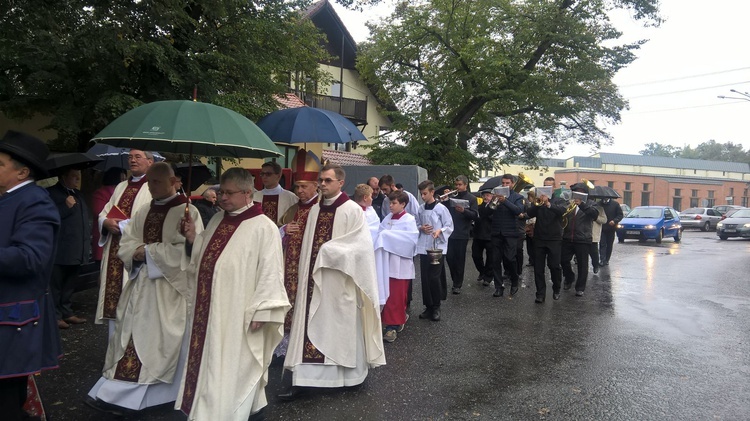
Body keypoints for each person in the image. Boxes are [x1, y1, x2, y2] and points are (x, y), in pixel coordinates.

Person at [87, 163, 203, 414]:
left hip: (169, 290)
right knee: (130, 336)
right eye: (149, 182)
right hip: (141, 284)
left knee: (159, 341)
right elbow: (127, 242)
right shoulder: (143, 210)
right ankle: (117, 391)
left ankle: (159, 394)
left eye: (157, 182)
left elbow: (190, 253)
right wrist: (136, 252)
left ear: (173, 181)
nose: (151, 187)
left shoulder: (188, 212)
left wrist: (149, 251)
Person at [177, 167, 290, 421]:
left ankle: (232, 410)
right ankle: (206, 406)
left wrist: (263, 309)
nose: (222, 197)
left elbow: (272, 272)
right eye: (221, 191)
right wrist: (192, 237)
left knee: (236, 363)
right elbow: (204, 256)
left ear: (248, 193)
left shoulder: (263, 227)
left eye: (228, 193)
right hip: (209, 308)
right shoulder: (218, 219)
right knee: (210, 358)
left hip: (239, 310)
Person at [281, 163, 385, 401]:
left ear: (340, 183)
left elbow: (361, 248)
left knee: (340, 325)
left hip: (339, 282)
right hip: (313, 281)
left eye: (328, 180)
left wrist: (330, 250)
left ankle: (349, 377)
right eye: (321, 180)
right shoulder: (315, 210)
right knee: (309, 323)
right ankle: (303, 379)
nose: (322, 184)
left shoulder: (351, 210)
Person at [0, 130, 62, 421]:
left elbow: (31, 258)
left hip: (12, 320)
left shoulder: (35, 201)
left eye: (0, 163)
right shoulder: (8, 198)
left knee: (7, 405)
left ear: (22, 171)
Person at [95, 149, 154, 330]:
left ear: (150, 162)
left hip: (135, 254)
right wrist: (105, 222)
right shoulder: (120, 187)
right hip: (114, 250)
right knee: (114, 308)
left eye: (137, 157)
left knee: (134, 308)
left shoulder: (152, 188)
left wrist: (120, 226)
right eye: (130, 157)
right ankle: (113, 354)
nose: (132, 160)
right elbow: (104, 212)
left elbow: (149, 219)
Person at [276, 149, 320, 361]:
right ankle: (287, 346)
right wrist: (284, 230)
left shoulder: (322, 209)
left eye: (304, 186)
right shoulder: (291, 209)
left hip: (311, 269)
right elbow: (273, 237)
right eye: (297, 186)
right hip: (289, 269)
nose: (299, 191)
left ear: (316, 186)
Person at [47, 167, 91, 329]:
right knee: (56, 285)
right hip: (60, 248)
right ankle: (55, 315)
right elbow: (48, 218)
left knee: (69, 284)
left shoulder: (78, 194)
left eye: (78, 177)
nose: (77, 180)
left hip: (77, 248)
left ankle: (67, 312)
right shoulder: (51, 193)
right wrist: (65, 207)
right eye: (73, 177)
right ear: (63, 177)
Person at [375, 191, 418, 342]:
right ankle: (393, 321)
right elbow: (379, 234)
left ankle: (392, 327)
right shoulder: (387, 218)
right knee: (386, 294)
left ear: (403, 204)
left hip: (400, 264)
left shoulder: (409, 220)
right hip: (386, 262)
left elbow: (411, 241)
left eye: (394, 203)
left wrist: (388, 237)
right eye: (389, 203)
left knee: (396, 296)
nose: (390, 206)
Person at [415, 180, 454, 321]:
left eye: (425, 193)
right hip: (423, 246)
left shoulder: (441, 208)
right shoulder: (420, 208)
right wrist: (421, 228)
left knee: (434, 277)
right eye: (421, 194)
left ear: (432, 192)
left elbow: (449, 225)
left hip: (437, 247)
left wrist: (440, 230)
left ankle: (436, 306)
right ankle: (428, 306)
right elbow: (416, 223)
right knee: (425, 277)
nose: (423, 196)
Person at [525, 188, 567, 303]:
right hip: (539, 238)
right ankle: (540, 294)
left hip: (554, 238)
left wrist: (548, 204)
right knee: (538, 268)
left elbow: (562, 211)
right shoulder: (538, 202)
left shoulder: (559, 200)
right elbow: (529, 213)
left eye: (549, 187)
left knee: (554, 266)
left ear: (553, 189)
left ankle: (557, 288)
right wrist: (538, 204)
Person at [560, 183, 599, 297]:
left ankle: (580, 287)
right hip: (567, 237)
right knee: (563, 260)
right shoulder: (569, 203)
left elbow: (594, 215)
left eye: (580, 192)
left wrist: (582, 204)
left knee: (582, 265)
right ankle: (569, 277)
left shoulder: (591, 204)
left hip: (583, 238)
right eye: (576, 192)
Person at [489, 174, 524, 297]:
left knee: (510, 258)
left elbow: (518, 211)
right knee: (495, 260)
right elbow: (488, 212)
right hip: (496, 232)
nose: (504, 185)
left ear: (512, 184)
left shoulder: (518, 197)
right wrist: (492, 201)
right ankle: (499, 286)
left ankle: (514, 280)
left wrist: (505, 201)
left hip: (511, 233)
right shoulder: (496, 196)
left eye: (507, 183)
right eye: (503, 183)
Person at [444, 175, 478, 294]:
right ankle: (455, 279)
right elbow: (443, 210)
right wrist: (446, 199)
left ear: (465, 185)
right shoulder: (452, 197)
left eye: (459, 185)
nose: (457, 187)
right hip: (449, 232)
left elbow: (475, 215)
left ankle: (457, 283)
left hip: (462, 232)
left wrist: (464, 211)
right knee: (449, 258)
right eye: (456, 185)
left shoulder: (472, 198)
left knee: (459, 259)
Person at [92, 167, 128, 263]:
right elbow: (99, 212)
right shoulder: (101, 193)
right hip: (106, 233)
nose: (124, 181)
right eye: (122, 178)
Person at [253, 161, 298, 225]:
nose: (264, 177)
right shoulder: (255, 197)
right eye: (262, 174)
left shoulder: (290, 198)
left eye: (268, 174)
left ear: (278, 176)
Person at [472, 189, 494, 286]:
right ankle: (482, 271)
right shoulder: (478, 207)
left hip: (490, 235)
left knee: (491, 258)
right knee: (476, 256)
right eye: (484, 195)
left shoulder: (494, 207)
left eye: (488, 195)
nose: (486, 197)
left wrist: (489, 209)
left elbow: (493, 218)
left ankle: (488, 277)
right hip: (478, 235)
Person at [599, 197, 624, 266]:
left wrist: (614, 221)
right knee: (602, 244)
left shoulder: (615, 204)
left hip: (611, 228)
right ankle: (602, 259)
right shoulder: (599, 204)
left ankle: (607, 259)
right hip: (602, 228)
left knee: (609, 244)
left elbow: (620, 215)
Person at [589, 200, 607, 274]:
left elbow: (604, 220)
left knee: (594, 253)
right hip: (583, 234)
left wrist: (596, 218)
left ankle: (595, 265)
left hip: (593, 235)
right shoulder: (580, 207)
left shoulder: (600, 209)